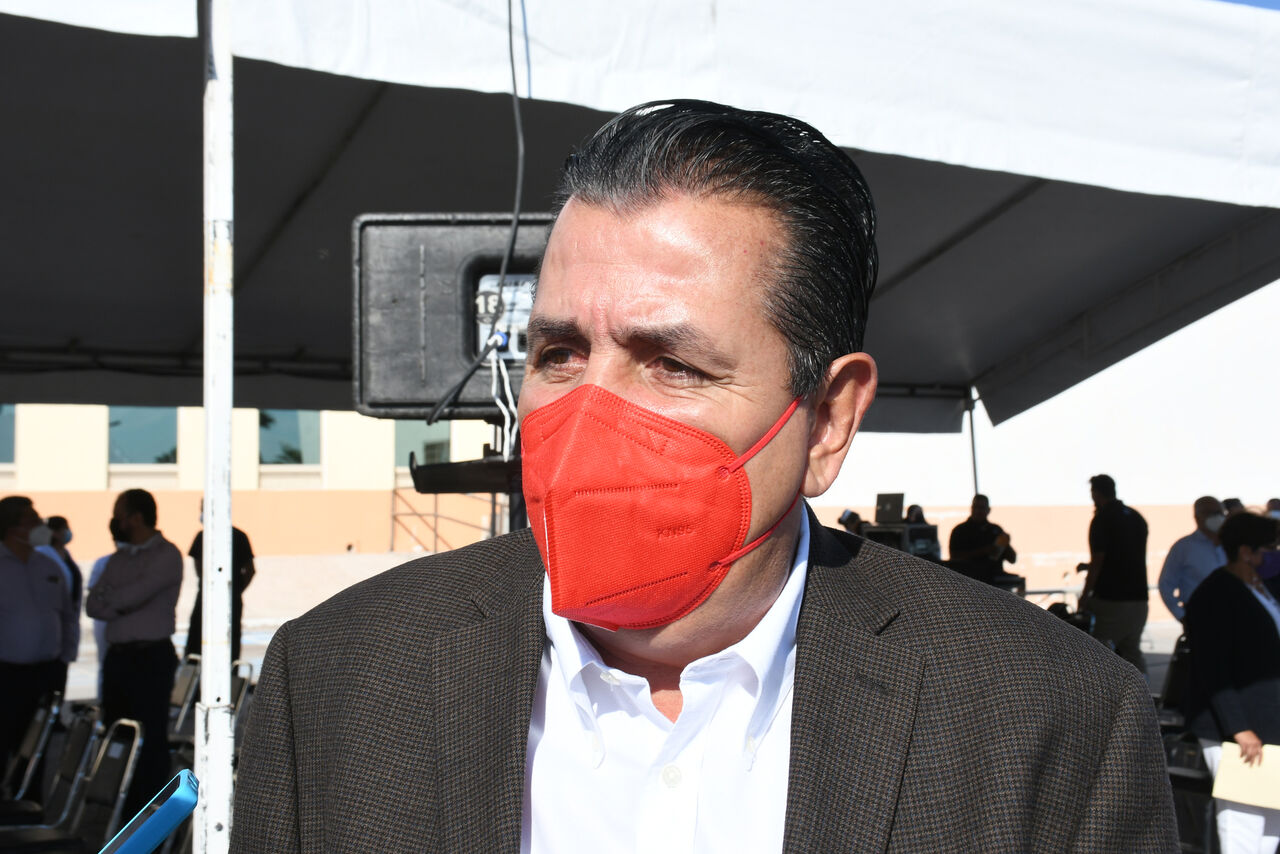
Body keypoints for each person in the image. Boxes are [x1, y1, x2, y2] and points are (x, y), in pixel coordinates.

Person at [233, 100, 1176, 852]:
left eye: (672, 365)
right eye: (560, 353)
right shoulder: (336, 682)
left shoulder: (1049, 717)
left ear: (828, 420)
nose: (589, 412)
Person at [1181, 512, 1280, 853]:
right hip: (1236, 730)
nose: (1274, 554)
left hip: (1269, 726)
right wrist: (1240, 729)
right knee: (1242, 824)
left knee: (1270, 823)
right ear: (1246, 551)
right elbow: (1213, 669)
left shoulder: (1263, 588)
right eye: (1269, 548)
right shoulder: (1215, 595)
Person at [86, 488, 183, 813]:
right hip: (119, 658)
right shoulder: (118, 559)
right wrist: (119, 601)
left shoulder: (166, 554)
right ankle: (116, 802)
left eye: (119, 515)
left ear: (137, 518)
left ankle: (148, 810)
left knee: (150, 735)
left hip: (150, 658)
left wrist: (115, 599)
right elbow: (93, 605)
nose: (115, 522)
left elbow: (130, 597)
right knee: (116, 731)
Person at [0, 496, 76, 772]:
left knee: (35, 750)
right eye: (32, 520)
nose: (40, 525)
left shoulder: (48, 565)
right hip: (6, 676)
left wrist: (65, 657)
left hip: (45, 673)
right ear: (12, 527)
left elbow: (67, 615)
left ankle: (30, 797)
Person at [1079, 474, 1151, 676]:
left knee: (1100, 654)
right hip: (1139, 599)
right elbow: (1125, 555)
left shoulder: (1102, 519)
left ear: (1095, 493)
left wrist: (1085, 596)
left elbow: (1099, 561)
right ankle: (1143, 694)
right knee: (1132, 653)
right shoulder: (1136, 518)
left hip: (1112, 601)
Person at [185, 504, 256, 662]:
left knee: (205, 644)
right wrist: (235, 591)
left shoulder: (207, 536)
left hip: (217, 599)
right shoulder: (207, 536)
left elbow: (250, 570)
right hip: (222, 598)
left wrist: (233, 591)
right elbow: (250, 570)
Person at [33, 514, 83, 694]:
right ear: (54, 532)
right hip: (50, 628)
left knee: (58, 681)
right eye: (64, 529)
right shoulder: (42, 555)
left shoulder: (65, 556)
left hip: (66, 625)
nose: (67, 533)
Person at [1157, 496, 1226, 621]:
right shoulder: (1184, 547)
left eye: (1219, 512)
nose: (1216, 517)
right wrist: (1182, 616)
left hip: (1231, 613)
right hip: (1199, 615)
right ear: (1197, 517)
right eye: (1210, 513)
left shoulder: (1232, 545)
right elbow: (1166, 585)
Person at [948, 494, 1018, 584]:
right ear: (971, 508)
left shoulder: (996, 530)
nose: (978, 511)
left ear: (988, 510)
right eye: (976, 507)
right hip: (968, 579)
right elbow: (954, 557)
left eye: (982, 508)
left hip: (994, 579)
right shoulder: (960, 530)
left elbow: (1012, 559)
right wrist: (983, 551)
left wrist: (1005, 544)